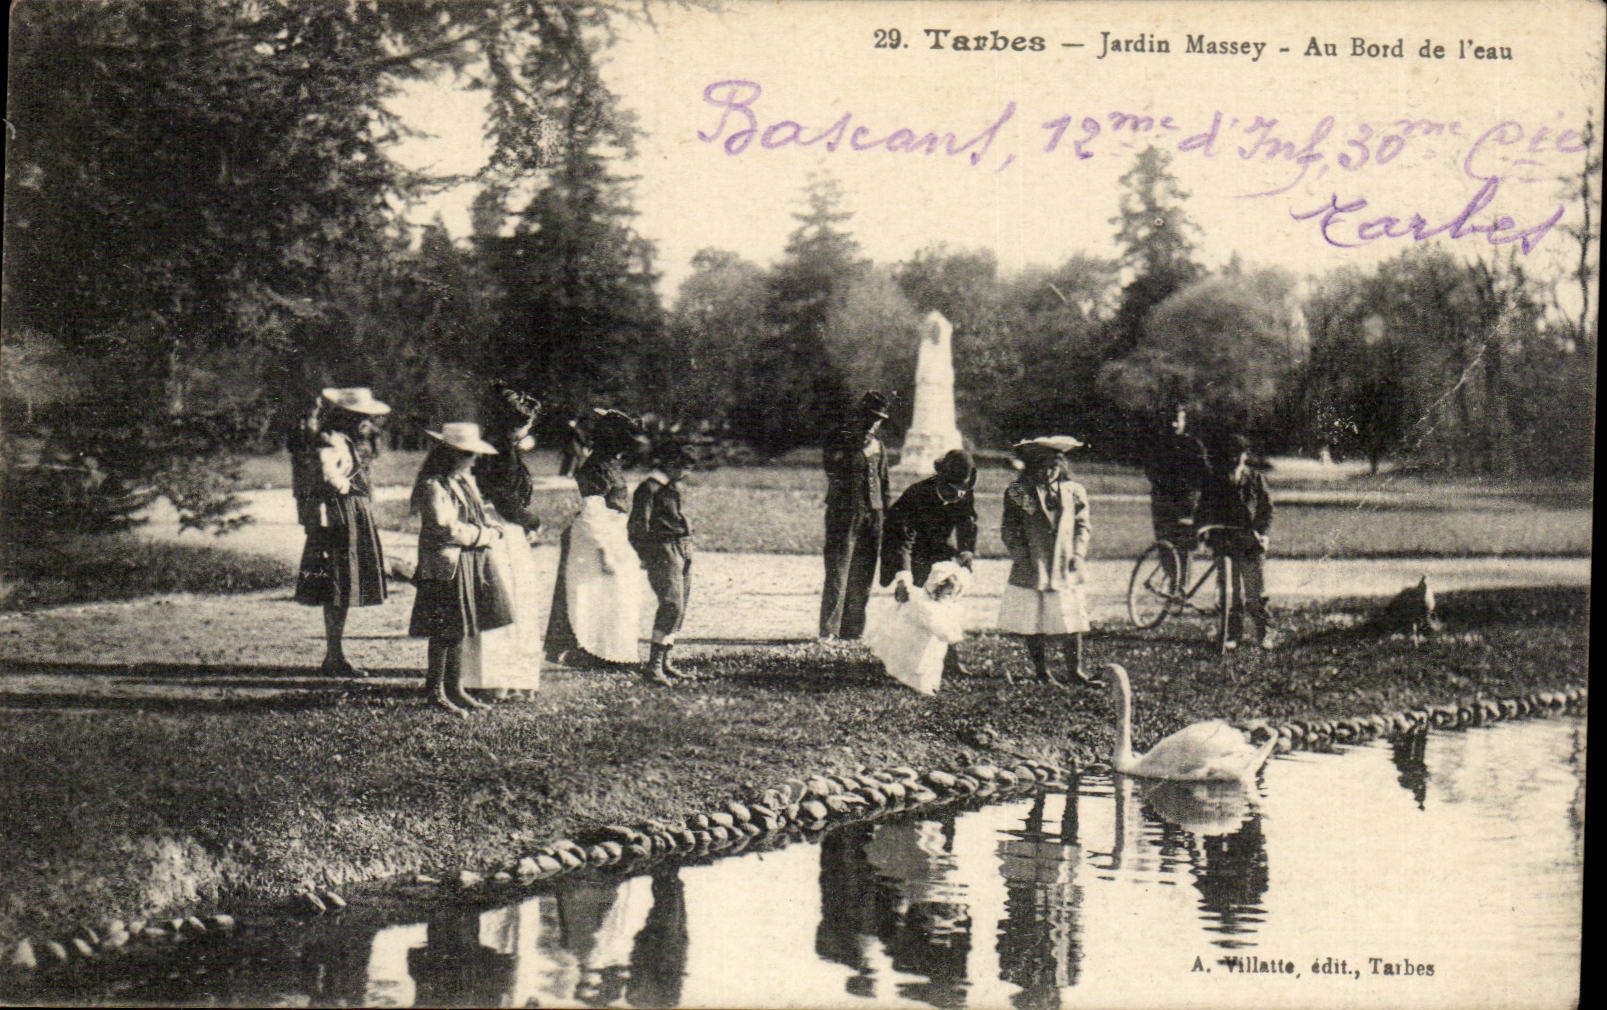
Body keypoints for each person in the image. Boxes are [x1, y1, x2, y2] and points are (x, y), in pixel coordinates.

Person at [408, 422, 513, 715]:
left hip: (467, 560)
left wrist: (490, 526)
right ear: (452, 454)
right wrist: (484, 536)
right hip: (446, 564)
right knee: (443, 628)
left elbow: (478, 513)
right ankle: (436, 691)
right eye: (469, 454)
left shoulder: (463, 481)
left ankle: (455, 687)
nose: (474, 460)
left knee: (460, 626)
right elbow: (445, 528)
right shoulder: (433, 486)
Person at [292, 387, 391, 677]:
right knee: (335, 583)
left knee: (342, 584)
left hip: (348, 515)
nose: (367, 423)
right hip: (337, 517)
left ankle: (335, 654)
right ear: (346, 416)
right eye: (362, 417)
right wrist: (345, 487)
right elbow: (326, 473)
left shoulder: (345, 440)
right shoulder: (329, 440)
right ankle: (333, 655)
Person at [998, 436, 1100, 688]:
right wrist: (1023, 556)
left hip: (1065, 564)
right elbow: (1009, 530)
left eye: (1053, 467)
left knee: (1072, 618)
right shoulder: (1020, 492)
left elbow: (1082, 525)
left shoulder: (1074, 491)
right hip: (1035, 565)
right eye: (1041, 467)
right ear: (1032, 468)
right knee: (1035, 620)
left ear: (1061, 466)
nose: (1047, 473)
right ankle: (1042, 672)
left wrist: (1078, 553)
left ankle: (1075, 670)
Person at [545, 409, 643, 666]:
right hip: (596, 535)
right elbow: (593, 512)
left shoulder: (609, 462)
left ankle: (612, 652)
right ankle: (593, 651)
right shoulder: (597, 466)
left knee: (616, 593)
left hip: (612, 531)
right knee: (595, 592)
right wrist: (605, 552)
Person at [467, 383, 546, 699]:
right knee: (508, 600)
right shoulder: (502, 453)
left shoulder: (492, 446)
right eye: (528, 423)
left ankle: (497, 677)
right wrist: (532, 520)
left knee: (502, 601)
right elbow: (505, 499)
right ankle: (500, 679)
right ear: (516, 424)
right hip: (503, 529)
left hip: (496, 525)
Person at [880, 448, 979, 677]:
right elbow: (901, 541)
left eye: (964, 490)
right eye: (954, 490)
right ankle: (901, 661)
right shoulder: (917, 495)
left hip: (940, 550)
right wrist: (903, 579)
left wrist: (966, 551)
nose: (960, 496)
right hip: (910, 550)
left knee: (946, 603)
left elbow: (967, 520)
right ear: (941, 481)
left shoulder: (963, 492)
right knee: (916, 605)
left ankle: (949, 660)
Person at [820, 391, 891, 640]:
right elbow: (833, 470)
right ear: (860, 414)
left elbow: (884, 484)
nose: (874, 423)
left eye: (879, 419)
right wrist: (853, 447)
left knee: (863, 573)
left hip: (874, 516)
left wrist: (886, 518)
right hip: (845, 513)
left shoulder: (879, 446)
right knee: (838, 572)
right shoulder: (840, 439)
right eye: (871, 417)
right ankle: (829, 631)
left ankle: (853, 631)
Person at [629, 441, 698, 686]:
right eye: (681, 466)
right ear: (668, 463)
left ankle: (666, 660)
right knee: (671, 604)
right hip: (663, 549)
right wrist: (648, 555)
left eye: (688, 468)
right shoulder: (649, 489)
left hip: (683, 547)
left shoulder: (673, 487)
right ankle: (653, 666)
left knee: (680, 608)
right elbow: (637, 527)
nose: (685, 472)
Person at [1198, 433, 1275, 650]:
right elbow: (1205, 508)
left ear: (1244, 456)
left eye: (1237, 455)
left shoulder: (1255, 479)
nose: (1233, 459)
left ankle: (1265, 632)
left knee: (1255, 593)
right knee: (1230, 593)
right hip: (1225, 542)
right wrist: (1204, 531)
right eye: (1229, 455)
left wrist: (1262, 533)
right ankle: (1232, 633)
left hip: (1250, 542)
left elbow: (1266, 509)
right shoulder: (1216, 480)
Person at [1144, 403, 1211, 588]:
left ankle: (1181, 588)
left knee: (1185, 545)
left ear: (1184, 421)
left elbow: (1205, 474)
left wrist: (1193, 491)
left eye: (1177, 420)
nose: (1173, 424)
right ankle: (1172, 580)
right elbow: (1150, 470)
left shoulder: (1193, 445)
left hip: (1185, 502)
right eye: (1169, 420)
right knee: (1165, 544)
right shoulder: (1157, 445)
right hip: (1162, 501)